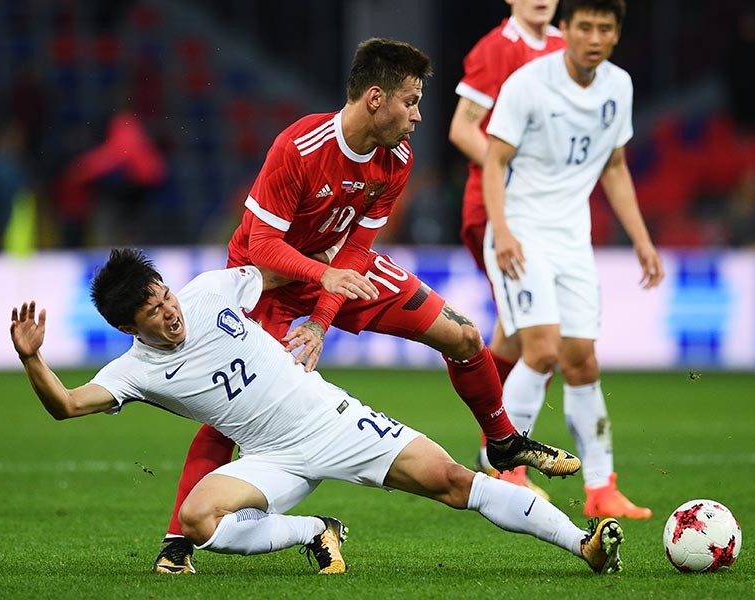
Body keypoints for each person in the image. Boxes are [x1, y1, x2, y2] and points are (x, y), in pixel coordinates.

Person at [154, 37, 581, 574]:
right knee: (231, 412)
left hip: (340, 267)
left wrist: (322, 319)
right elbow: (261, 246)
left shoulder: (396, 158)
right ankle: (177, 542)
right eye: (411, 101)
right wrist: (322, 276)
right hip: (265, 282)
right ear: (376, 98)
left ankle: (502, 442)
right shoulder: (299, 147)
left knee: (464, 335)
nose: (418, 116)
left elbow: (358, 249)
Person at [9, 248, 624, 576]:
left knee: (453, 483)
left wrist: (327, 278)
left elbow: (277, 272)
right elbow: (66, 405)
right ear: (128, 326)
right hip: (270, 459)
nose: (169, 310)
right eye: (152, 310)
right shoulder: (134, 370)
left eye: (163, 294)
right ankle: (314, 530)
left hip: (331, 420)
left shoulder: (211, 289)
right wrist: (34, 359)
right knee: (197, 520)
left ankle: (583, 545)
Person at [482, 0, 664, 520]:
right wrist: (503, 231)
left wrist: (642, 240)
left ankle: (601, 487)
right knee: (541, 349)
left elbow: (615, 167)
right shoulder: (528, 84)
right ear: (566, 28)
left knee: (582, 358)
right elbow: (494, 160)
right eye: (584, 26)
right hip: (520, 233)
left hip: (572, 241)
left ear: (617, 34)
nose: (594, 37)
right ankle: (507, 470)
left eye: (605, 28)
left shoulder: (618, 86)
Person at [448, 0, 566, 492]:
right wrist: (519, 172)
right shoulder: (495, 49)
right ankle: (503, 458)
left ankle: (495, 453)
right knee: (538, 338)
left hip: (544, 213)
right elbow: (462, 127)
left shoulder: (565, 46)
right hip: (498, 210)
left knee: (517, 336)